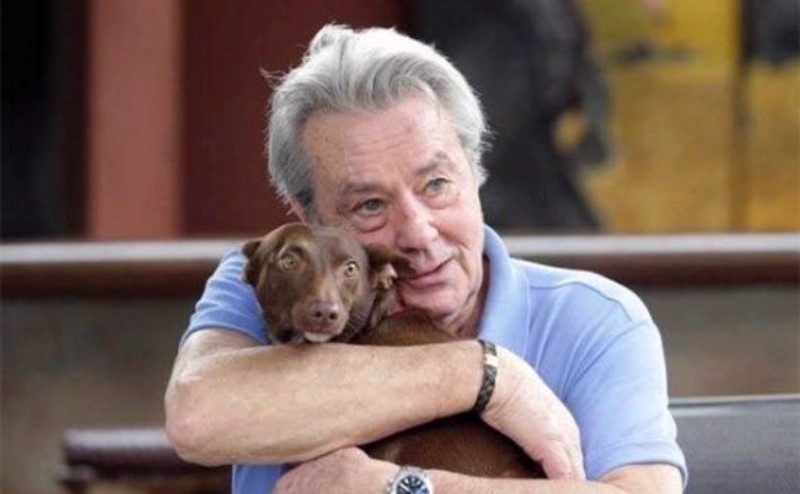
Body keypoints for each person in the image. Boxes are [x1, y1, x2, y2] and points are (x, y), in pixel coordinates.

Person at [165, 24, 686, 493]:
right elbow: (197, 416)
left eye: (436, 185)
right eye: (370, 206)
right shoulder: (272, 282)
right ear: (309, 218)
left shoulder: (593, 318)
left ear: (475, 172)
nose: (417, 231)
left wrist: (403, 488)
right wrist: (489, 378)